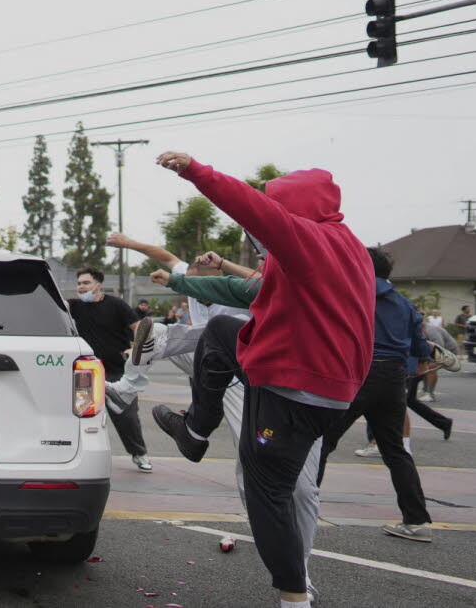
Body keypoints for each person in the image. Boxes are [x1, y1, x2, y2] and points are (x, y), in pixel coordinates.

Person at [148, 151, 374, 608]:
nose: (258, 240)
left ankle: (294, 597)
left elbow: (250, 207)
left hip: (294, 392)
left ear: (293, 212)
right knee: (220, 331)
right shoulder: (349, 247)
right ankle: (195, 429)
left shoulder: (306, 240)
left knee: (268, 494)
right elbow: (246, 288)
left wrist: (195, 170)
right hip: (328, 388)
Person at [317, 248, 437, 543]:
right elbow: (420, 347)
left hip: (359, 373)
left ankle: (297, 509)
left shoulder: (350, 294)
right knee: (395, 450)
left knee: (321, 443)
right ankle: (417, 520)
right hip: (394, 378)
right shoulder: (404, 304)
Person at [66, 266, 152, 473]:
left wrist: (136, 349)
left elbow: (140, 328)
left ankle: (139, 454)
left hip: (117, 372)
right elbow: (55, 305)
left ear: (98, 285)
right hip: (87, 374)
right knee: (82, 415)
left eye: (86, 283)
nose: (81, 287)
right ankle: (78, 458)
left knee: (127, 416)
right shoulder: (75, 307)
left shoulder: (117, 305)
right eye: (79, 284)